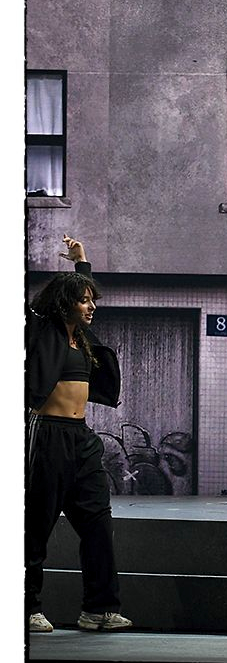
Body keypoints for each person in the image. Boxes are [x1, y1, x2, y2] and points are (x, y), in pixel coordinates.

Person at [25, 236, 132, 633]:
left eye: (92, 300)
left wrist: (82, 262)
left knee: (98, 522)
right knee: (36, 525)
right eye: (84, 301)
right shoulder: (43, 330)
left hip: (82, 437)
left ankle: (99, 609)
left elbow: (79, 290)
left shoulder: (82, 339)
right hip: (47, 435)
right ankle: (26, 607)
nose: (91, 306)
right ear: (64, 303)